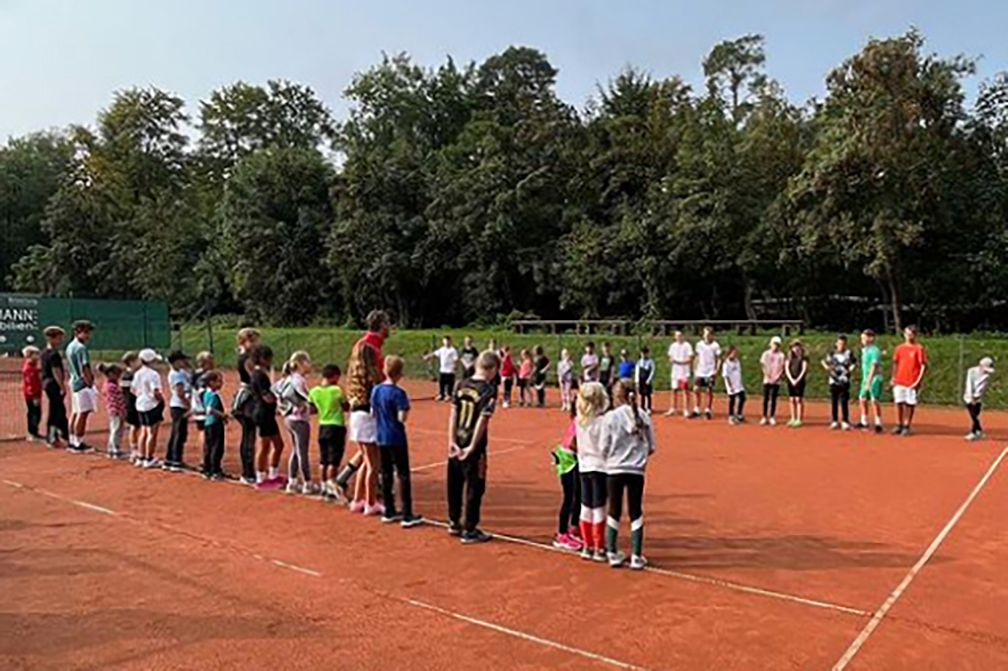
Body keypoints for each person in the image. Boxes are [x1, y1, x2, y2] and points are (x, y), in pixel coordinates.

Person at [447, 351, 500, 544]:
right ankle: (469, 528)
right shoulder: (488, 390)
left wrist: (451, 440)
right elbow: (482, 421)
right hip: (473, 445)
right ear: (492, 369)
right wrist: (472, 447)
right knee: (474, 485)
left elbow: (453, 414)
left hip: (457, 440)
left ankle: (454, 521)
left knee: (454, 482)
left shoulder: (460, 385)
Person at [340, 310, 390, 510]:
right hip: (367, 408)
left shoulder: (364, 345)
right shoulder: (369, 347)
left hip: (360, 406)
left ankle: (359, 500)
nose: (390, 328)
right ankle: (371, 502)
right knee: (373, 462)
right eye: (388, 324)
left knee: (365, 460)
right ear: (381, 325)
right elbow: (374, 379)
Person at [604, 379, 655, 571]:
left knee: (614, 509)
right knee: (635, 510)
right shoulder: (644, 416)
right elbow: (651, 446)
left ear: (617, 395)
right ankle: (636, 555)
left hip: (614, 469)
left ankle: (611, 552)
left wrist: (610, 458)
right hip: (636, 470)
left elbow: (604, 445)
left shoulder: (611, 417)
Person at [372, 356, 422, 527]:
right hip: (396, 437)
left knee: (385, 473)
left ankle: (389, 510)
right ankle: (407, 513)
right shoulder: (399, 393)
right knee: (403, 474)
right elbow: (402, 418)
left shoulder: (376, 390)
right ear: (399, 374)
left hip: (381, 436)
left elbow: (373, 413)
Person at [576, 381, 610, 563]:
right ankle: (599, 546)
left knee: (585, 506)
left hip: (584, 466)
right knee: (599, 507)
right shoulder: (603, 421)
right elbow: (604, 446)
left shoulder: (579, 420)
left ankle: (587, 545)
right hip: (600, 466)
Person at [309, 364, 348, 501]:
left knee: (323, 459)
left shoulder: (314, 392)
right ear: (335, 376)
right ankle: (332, 485)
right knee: (334, 460)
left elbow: (312, 409)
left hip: (323, 426)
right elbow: (346, 406)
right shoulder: (337, 390)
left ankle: (323, 485)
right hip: (336, 426)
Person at [250, 345, 285, 488]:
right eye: (268, 358)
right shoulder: (259, 376)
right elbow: (267, 397)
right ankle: (260, 477)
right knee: (265, 446)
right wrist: (279, 397)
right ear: (262, 359)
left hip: (266, 413)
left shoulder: (259, 374)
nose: (270, 361)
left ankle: (273, 474)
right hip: (263, 413)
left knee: (278, 445)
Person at [279, 352, 314, 495]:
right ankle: (307, 483)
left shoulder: (287, 379)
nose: (310, 365)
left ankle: (292, 481)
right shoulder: (299, 380)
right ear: (301, 364)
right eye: (308, 362)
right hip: (299, 419)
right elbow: (307, 398)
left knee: (295, 449)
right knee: (302, 452)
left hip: (289, 418)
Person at [552, 394, 583, 552]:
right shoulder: (580, 421)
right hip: (568, 460)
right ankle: (562, 534)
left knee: (579, 495)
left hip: (573, 459)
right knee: (569, 497)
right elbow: (573, 443)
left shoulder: (582, 419)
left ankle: (573, 527)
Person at [234, 328, 261, 484]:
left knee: (248, 435)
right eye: (254, 340)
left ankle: (248, 471)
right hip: (248, 398)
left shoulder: (246, 356)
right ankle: (248, 472)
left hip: (247, 395)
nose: (257, 343)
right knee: (249, 436)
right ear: (245, 341)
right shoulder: (246, 358)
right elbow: (254, 378)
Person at [66, 320, 97, 453]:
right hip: (82, 384)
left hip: (73, 382)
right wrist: (89, 382)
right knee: (82, 413)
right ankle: (78, 443)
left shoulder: (70, 346)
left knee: (75, 412)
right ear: (77, 332)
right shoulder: (81, 348)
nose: (88, 335)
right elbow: (85, 367)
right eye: (86, 332)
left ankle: (72, 440)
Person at [891, 326, 927, 437]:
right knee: (899, 402)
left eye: (911, 334)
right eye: (907, 333)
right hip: (899, 380)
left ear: (915, 335)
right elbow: (895, 363)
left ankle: (907, 425)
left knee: (910, 404)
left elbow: (923, 366)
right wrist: (893, 377)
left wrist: (918, 381)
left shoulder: (918, 348)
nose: (908, 336)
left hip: (912, 381)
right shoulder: (899, 348)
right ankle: (899, 424)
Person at [132, 348, 165, 468]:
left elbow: (134, 390)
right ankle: (149, 458)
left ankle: (141, 457)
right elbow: (155, 391)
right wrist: (161, 400)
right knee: (152, 433)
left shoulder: (138, 373)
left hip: (140, 404)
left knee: (144, 431)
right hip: (151, 404)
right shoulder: (153, 374)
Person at [40, 326, 69, 448]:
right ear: (51, 338)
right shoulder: (53, 354)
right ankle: (53, 436)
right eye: (58, 338)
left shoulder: (44, 353)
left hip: (47, 383)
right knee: (57, 410)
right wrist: (62, 386)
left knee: (57, 410)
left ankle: (60, 435)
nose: (60, 340)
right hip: (53, 385)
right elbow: (56, 371)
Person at [163, 351, 192, 471]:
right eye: (181, 360)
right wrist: (189, 406)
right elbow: (180, 393)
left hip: (177, 406)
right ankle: (176, 460)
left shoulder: (179, 373)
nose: (184, 362)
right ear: (175, 362)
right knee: (179, 433)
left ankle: (170, 459)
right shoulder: (176, 375)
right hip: (179, 406)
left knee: (176, 432)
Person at [823, 335, 856, 430]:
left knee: (844, 401)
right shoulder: (832, 353)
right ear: (836, 344)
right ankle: (834, 421)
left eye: (843, 344)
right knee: (834, 401)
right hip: (833, 380)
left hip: (844, 380)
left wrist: (850, 370)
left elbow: (853, 363)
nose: (841, 345)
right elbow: (826, 362)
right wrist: (828, 368)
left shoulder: (849, 353)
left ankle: (845, 421)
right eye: (840, 343)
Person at [200, 371, 228, 479]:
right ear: (211, 382)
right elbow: (210, 409)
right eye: (218, 381)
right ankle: (215, 470)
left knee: (209, 447)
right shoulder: (213, 395)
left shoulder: (206, 394)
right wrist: (223, 415)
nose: (221, 384)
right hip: (214, 424)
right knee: (217, 447)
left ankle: (207, 469)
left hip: (208, 424)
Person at [857, 330, 885, 433]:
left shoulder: (875, 351)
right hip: (865, 378)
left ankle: (878, 423)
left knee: (874, 400)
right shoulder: (864, 350)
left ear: (871, 338)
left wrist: (869, 381)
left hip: (874, 378)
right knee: (862, 398)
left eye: (864, 338)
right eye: (862, 338)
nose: (862, 341)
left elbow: (874, 366)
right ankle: (864, 421)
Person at [98, 363, 126, 459]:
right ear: (110, 374)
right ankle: (114, 449)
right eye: (117, 375)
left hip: (113, 410)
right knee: (116, 430)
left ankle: (113, 448)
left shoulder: (109, 385)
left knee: (116, 429)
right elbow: (116, 401)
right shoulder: (112, 386)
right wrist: (121, 411)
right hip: (116, 411)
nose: (118, 377)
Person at [692, 327, 722, 419]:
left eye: (708, 334)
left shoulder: (715, 346)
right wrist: (695, 369)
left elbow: (719, 359)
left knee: (709, 390)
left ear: (711, 335)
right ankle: (696, 408)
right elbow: (697, 357)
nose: (706, 336)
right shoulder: (699, 345)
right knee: (696, 389)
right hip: (700, 371)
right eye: (705, 334)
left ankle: (708, 409)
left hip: (710, 371)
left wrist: (716, 370)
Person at [963, 357, 995, 441]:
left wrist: (976, 397)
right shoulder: (971, 371)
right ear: (980, 366)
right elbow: (969, 383)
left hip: (978, 398)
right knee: (973, 415)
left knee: (974, 414)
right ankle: (979, 431)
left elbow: (982, 388)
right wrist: (971, 396)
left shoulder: (987, 376)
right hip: (968, 397)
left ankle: (974, 432)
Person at [666, 331, 694, 417]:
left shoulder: (687, 345)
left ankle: (686, 409)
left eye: (681, 335)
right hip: (675, 371)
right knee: (674, 390)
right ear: (675, 337)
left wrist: (680, 362)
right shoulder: (672, 346)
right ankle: (673, 408)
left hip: (684, 372)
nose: (679, 337)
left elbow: (690, 358)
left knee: (685, 390)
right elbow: (670, 357)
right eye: (677, 336)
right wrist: (673, 361)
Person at [759, 336, 785, 426]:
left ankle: (772, 416)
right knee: (766, 398)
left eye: (777, 345)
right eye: (774, 344)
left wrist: (777, 377)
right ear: (770, 344)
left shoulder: (781, 355)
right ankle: (764, 416)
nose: (775, 346)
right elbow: (763, 366)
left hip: (776, 380)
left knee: (774, 398)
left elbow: (782, 367)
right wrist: (767, 375)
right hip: (767, 379)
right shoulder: (765, 354)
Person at [121, 351, 141, 460]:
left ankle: (136, 448)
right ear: (131, 362)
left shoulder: (131, 374)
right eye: (136, 360)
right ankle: (134, 449)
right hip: (131, 404)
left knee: (137, 426)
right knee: (134, 426)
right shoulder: (128, 375)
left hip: (134, 403)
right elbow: (131, 392)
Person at [426, 336, 459, 402]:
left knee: (450, 383)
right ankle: (441, 394)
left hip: (450, 370)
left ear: (450, 341)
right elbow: (435, 354)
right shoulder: (442, 349)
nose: (446, 342)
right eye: (444, 341)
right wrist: (428, 356)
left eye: (447, 341)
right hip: (443, 369)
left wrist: (455, 366)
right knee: (441, 383)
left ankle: (449, 395)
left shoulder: (452, 350)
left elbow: (456, 359)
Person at [21, 345, 43, 441]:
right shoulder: (29, 368)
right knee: (34, 413)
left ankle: (34, 432)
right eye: (36, 354)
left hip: (35, 394)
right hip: (32, 395)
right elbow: (31, 384)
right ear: (30, 355)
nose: (38, 356)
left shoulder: (33, 367)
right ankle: (32, 434)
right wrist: (34, 396)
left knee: (36, 413)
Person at [785, 340, 808, 428]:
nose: (796, 349)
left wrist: (798, 379)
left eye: (798, 347)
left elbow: (804, 369)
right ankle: (792, 417)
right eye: (794, 347)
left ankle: (799, 418)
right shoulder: (789, 358)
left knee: (798, 399)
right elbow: (786, 368)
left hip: (800, 380)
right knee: (792, 399)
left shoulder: (803, 358)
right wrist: (791, 379)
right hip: (791, 380)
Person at [722, 346, 746, 425]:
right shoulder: (726, 364)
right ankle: (731, 416)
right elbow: (726, 376)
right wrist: (730, 386)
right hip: (731, 384)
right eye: (733, 353)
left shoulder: (737, 361)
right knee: (732, 400)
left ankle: (739, 414)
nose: (735, 354)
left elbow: (739, 372)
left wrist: (740, 382)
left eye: (735, 353)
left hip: (738, 383)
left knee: (742, 398)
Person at [635, 348, 656, 415]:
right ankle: (642, 407)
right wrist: (637, 381)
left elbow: (652, 371)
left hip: (647, 379)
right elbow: (637, 371)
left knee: (648, 394)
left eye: (645, 353)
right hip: (641, 379)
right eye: (642, 354)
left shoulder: (650, 362)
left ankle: (649, 408)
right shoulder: (639, 362)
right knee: (642, 394)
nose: (643, 355)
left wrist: (649, 379)